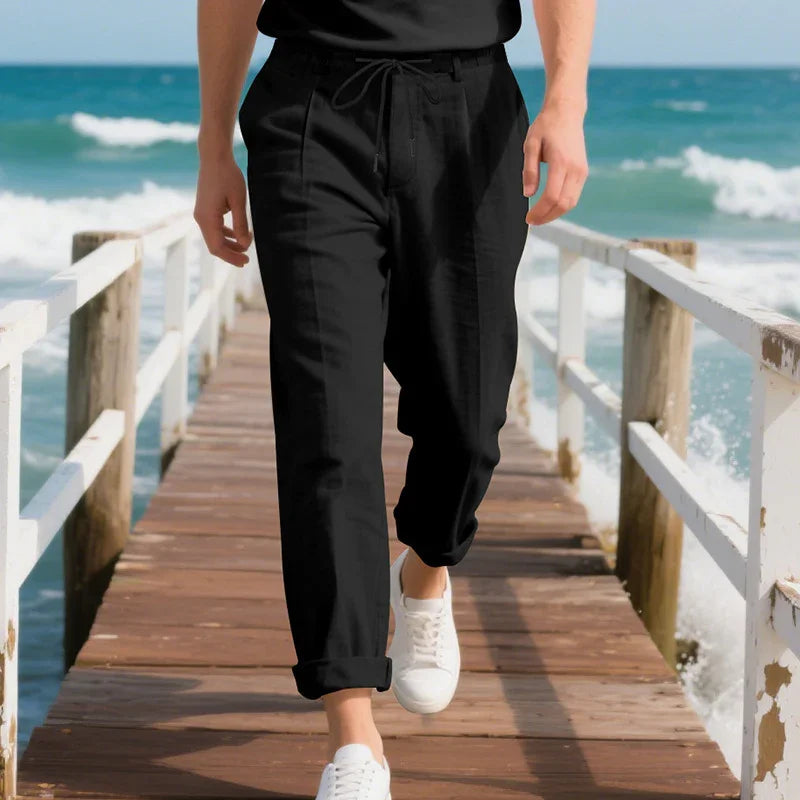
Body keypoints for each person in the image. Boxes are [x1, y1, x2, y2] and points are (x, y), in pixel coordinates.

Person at [194, 0, 594, 796]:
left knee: (470, 417)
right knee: (327, 425)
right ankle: (353, 738)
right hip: (312, 108)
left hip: (469, 106)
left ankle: (426, 567)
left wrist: (567, 99)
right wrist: (213, 148)